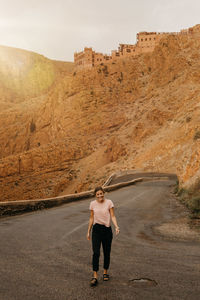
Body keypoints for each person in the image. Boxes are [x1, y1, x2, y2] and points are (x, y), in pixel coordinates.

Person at [87, 186, 120, 287]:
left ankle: (105, 273)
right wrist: (88, 231)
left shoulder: (109, 202)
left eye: (101, 193)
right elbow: (91, 218)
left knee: (106, 252)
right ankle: (95, 276)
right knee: (96, 253)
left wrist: (116, 226)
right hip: (96, 230)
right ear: (95, 195)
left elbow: (112, 216)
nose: (100, 195)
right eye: (98, 194)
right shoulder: (92, 204)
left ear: (103, 193)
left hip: (107, 231)